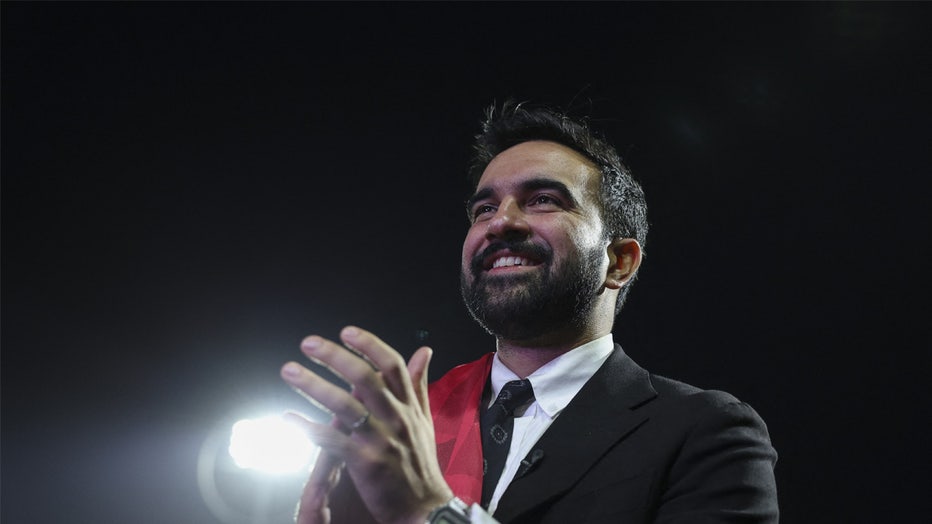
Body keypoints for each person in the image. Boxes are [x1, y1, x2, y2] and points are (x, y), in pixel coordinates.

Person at [280, 102, 779, 523]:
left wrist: (433, 512)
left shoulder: (706, 433)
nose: (502, 223)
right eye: (484, 209)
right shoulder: (403, 428)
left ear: (619, 261)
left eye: (543, 199)